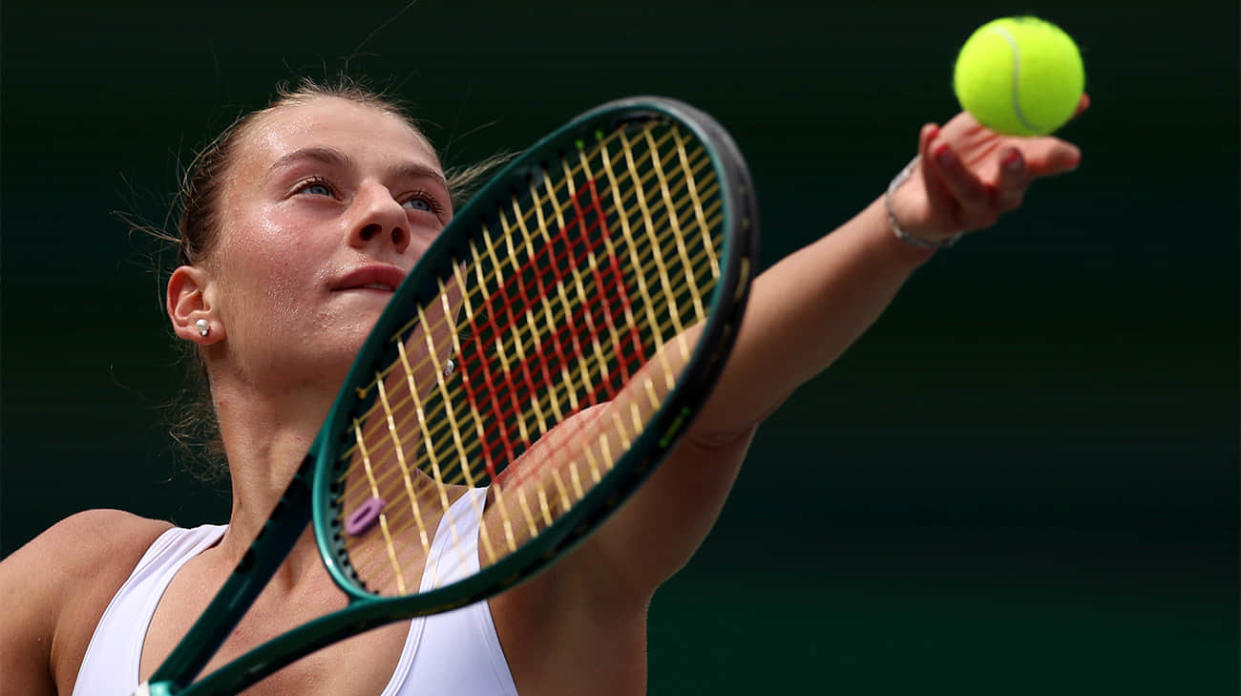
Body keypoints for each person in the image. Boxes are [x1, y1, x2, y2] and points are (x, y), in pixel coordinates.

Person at [0, 77, 1087, 695]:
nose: (384, 215)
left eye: (423, 206)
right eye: (315, 188)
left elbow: (693, 392)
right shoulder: (80, 585)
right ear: (198, 302)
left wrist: (899, 226)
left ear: (451, 300)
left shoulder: (521, 554)